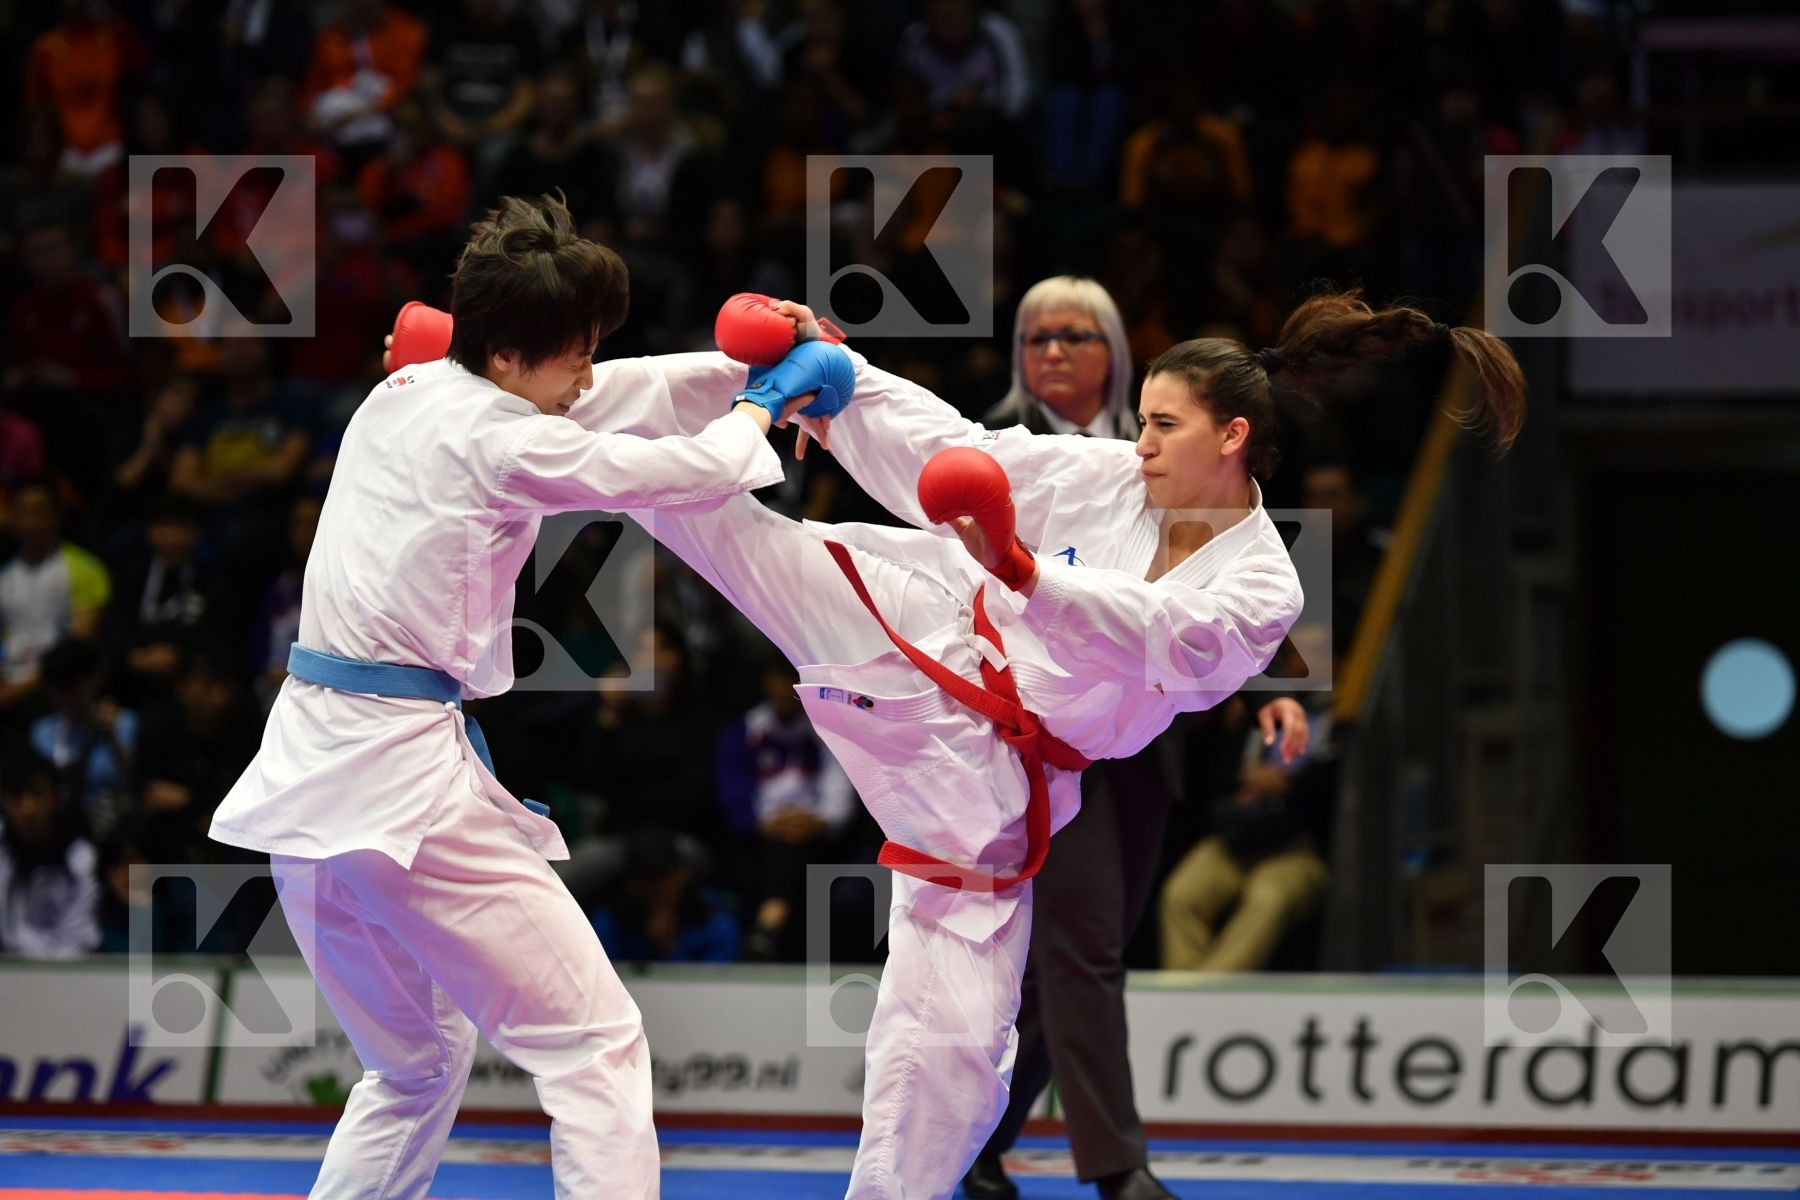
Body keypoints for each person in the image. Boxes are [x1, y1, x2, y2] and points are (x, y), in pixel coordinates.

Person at [387, 283, 1524, 1197]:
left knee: (956, 1053)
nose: (1139, 447)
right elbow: (974, 456)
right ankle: (494, 396)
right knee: (706, 508)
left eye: (1163, 428)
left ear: (1233, 439)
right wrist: (847, 386)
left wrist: (1028, 572)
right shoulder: (1111, 479)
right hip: (925, 635)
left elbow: (1160, 643)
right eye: (1141, 424)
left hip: (984, 782)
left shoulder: (1264, 586)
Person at [209, 194, 804, 1199]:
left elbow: (603, 394)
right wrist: (762, 403)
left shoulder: (401, 395)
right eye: (574, 349)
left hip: (307, 786)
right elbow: (686, 473)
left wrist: (734, 369)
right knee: (596, 1040)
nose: (586, 369)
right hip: (401, 786)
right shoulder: (510, 444)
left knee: (413, 1068)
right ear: (512, 353)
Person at [970, 277, 1310, 1200]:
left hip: (1146, 739)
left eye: (1075, 335)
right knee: (1085, 946)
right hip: (1039, 735)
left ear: (1111, 349)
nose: (1053, 352)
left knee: (1092, 946)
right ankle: (1119, 1170)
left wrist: (1265, 693)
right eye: (1038, 335)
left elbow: (1209, 593)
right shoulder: (999, 447)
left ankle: (972, 1142)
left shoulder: (1165, 435)